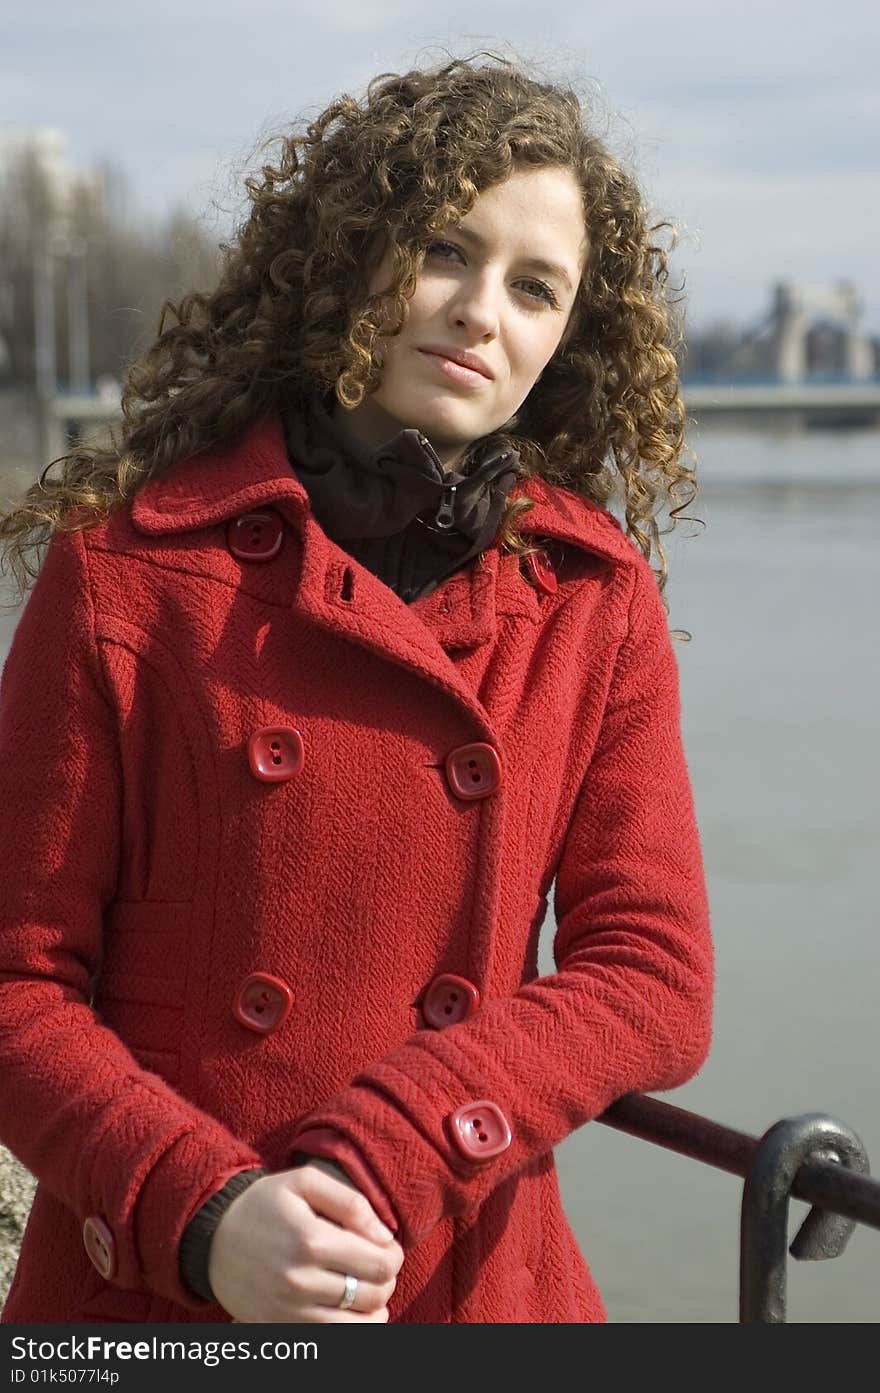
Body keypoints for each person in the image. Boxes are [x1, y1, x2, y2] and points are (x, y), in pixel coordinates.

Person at [0, 53, 713, 1325]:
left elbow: (652, 972)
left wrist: (403, 1142)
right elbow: (15, 979)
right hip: (168, 1299)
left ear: (569, 338)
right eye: (447, 247)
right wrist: (204, 1212)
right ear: (353, 252)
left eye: (536, 287)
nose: (482, 311)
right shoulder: (128, 563)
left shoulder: (590, 602)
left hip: (458, 1272)